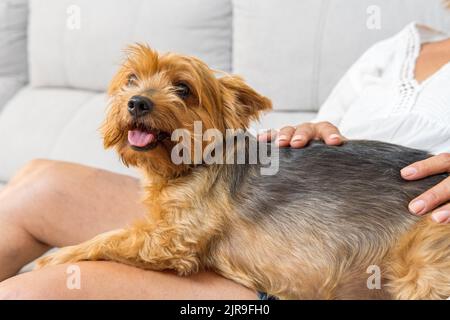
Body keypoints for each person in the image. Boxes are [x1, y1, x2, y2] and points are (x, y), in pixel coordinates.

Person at [0, 22, 449, 299]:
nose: (139, 98)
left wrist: (81, 252)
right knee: (37, 182)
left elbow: (174, 247)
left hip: (315, 268)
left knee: (39, 291)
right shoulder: (396, 48)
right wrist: (314, 129)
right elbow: (321, 134)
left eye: (180, 91)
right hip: (272, 209)